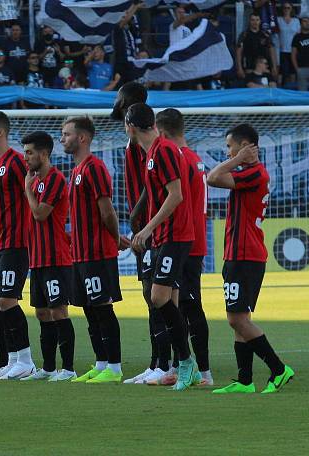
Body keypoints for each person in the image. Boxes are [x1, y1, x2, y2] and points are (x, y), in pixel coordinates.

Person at [207, 123, 295, 394]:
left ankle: (279, 369)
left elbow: (211, 178)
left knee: (237, 320)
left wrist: (236, 160)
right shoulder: (251, 173)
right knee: (239, 318)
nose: (227, 152)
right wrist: (238, 160)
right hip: (241, 253)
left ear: (245, 147)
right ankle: (245, 380)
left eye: (230, 146)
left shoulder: (254, 173)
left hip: (244, 255)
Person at [126, 102, 199, 391]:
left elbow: (176, 195)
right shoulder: (154, 153)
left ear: (130, 127)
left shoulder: (164, 151)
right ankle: (182, 365)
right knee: (167, 299)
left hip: (176, 235)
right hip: (165, 236)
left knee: (158, 298)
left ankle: (186, 362)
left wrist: (147, 228)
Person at [110, 82, 172, 385]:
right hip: (146, 226)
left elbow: (155, 183)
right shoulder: (137, 139)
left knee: (157, 294)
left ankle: (167, 362)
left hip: (152, 226)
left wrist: (137, 216)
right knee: (151, 296)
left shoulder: (146, 141)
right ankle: (158, 361)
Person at [59, 118, 129, 384]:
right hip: (81, 253)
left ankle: (115, 366)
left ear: (83, 138)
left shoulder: (94, 167)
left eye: (66, 134)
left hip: (97, 252)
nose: (63, 139)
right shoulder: (77, 171)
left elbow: (106, 210)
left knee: (102, 306)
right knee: (89, 308)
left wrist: (115, 237)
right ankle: (101, 363)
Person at [156, 108, 213, 386]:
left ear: (162, 132)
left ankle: (203, 372)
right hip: (192, 239)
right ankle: (184, 367)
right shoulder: (194, 158)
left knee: (190, 306)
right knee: (181, 305)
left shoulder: (179, 159)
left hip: (186, 242)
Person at [0, 111, 36, 380]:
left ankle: (25, 359)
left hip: (16, 242)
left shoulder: (16, 162)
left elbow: (31, 194)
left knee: (6, 299)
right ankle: (14, 359)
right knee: (0, 302)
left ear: (1, 133)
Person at [20, 131, 77, 382]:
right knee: (43, 313)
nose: (26, 157)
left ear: (44, 154)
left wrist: (27, 191)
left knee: (59, 312)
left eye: (30, 152)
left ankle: (68, 368)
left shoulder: (55, 179)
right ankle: (49, 367)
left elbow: (41, 214)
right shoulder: (36, 180)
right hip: (38, 258)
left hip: (55, 257)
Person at [236, 13, 277, 82]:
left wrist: (274, 67)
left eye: (257, 20)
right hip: (249, 67)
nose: (255, 22)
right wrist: (239, 68)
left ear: (260, 21)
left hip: (264, 67)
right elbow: (238, 52)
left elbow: (272, 51)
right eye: (253, 20)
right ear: (249, 21)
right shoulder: (244, 35)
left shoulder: (265, 34)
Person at [276, 2, 300, 86]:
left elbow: (298, 35)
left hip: (293, 50)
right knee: (282, 72)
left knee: (293, 72)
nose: (286, 9)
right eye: (285, 8)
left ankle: (292, 90)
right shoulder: (278, 20)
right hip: (282, 50)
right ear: (282, 9)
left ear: (291, 9)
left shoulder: (296, 21)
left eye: (288, 8)